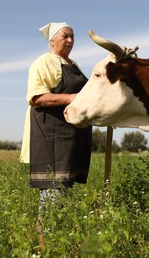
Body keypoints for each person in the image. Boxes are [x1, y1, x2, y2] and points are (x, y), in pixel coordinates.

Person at [20, 22, 92, 210]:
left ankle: (57, 234)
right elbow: (37, 97)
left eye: (72, 36)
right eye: (65, 36)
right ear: (52, 41)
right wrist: (72, 98)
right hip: (51, 136)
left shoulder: (73, 65)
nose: (70, 40)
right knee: (53, 193)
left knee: (64, 193)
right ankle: (45, 236)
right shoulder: (44, 62)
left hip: (71, 137)